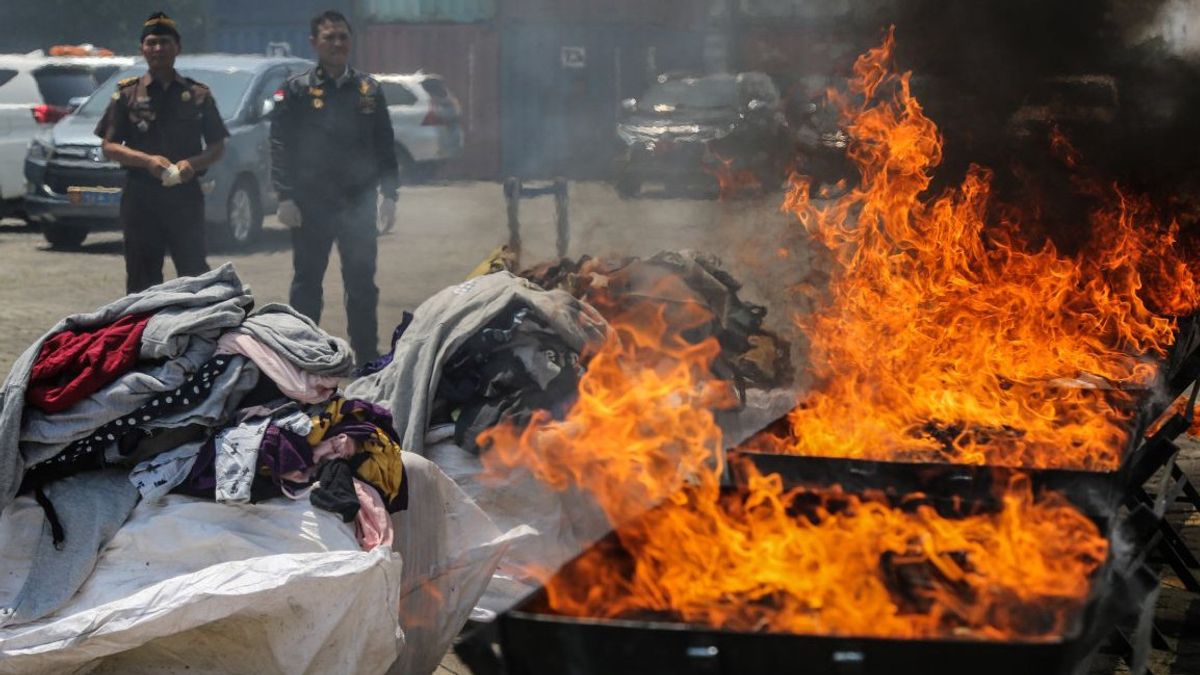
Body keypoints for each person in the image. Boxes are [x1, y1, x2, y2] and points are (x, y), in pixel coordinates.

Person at [270, 9, 399, 365]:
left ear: (351, 41)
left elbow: (384, 143)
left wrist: (390, 195)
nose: (337, 43)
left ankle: (367, 359)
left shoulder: (369, 90)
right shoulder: (296, 89)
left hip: (358, 203)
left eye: (343, 37)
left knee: (362, 285)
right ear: (314, 43)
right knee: (307, 284)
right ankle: (303, 357)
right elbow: (280, 144)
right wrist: (285, 197)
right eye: (330, 37)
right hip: (311, 205)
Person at [95, 12, 228, 294]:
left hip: (185, 197)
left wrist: (192, 164)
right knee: (142, 277)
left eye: (165, 42)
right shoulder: (127, 94)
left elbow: (217, 147)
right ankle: (142, 325)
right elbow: (109, 146)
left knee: (194, 274)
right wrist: (147, 161)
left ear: (177, 48)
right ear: (142, 49)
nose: (158, 49)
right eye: (151, 43)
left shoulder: (198, 95)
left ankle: (197, 322)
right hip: (141, 198)